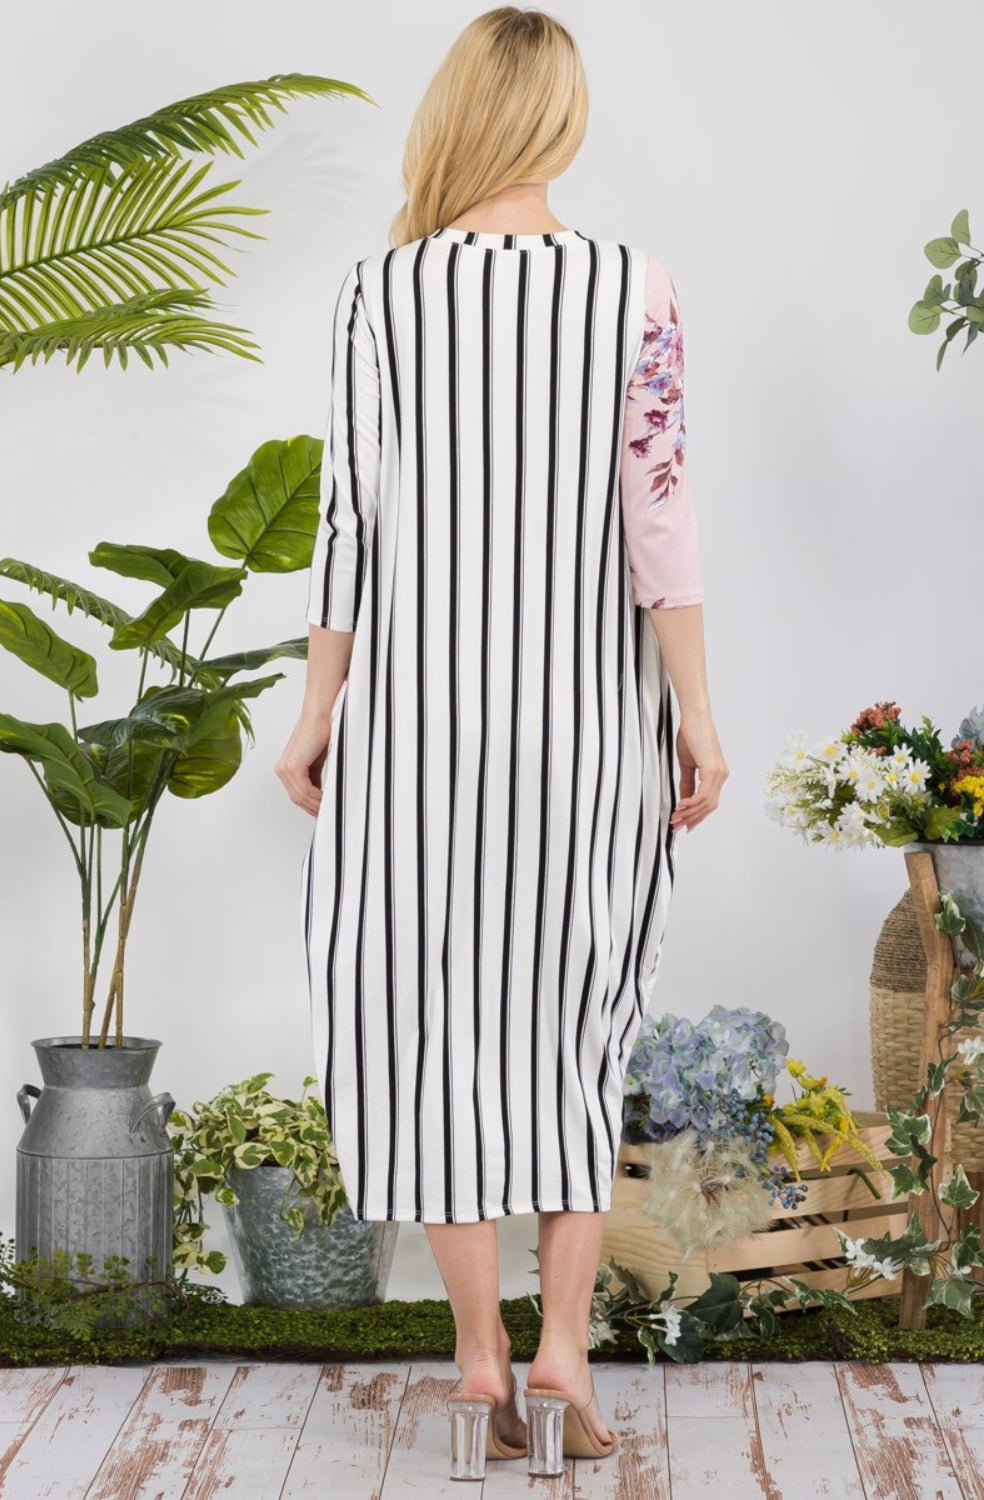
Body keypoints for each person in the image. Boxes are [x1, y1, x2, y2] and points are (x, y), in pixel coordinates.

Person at [275, 5, 728, 1480]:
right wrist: (699, 716)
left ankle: (476, 1363)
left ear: (457, 113)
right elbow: (658, 520)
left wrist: (316, 710)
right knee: (576, 1025)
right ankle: (562, 1353)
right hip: (593, 726)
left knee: (438, 1025)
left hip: (417, 730)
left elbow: (350, 524)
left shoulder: (379, 292)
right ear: (562, 119)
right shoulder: (632, 285)